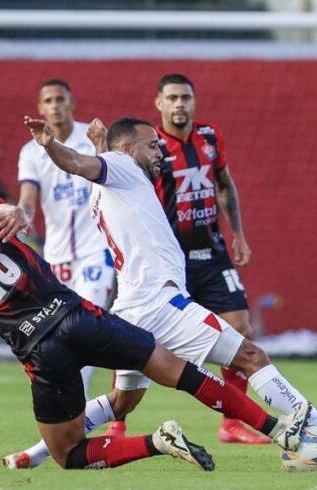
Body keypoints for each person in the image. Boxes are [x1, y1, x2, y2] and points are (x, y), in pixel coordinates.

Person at [0, 170, 311, 471]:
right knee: (178, 371)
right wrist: (9, 209)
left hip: (40, 352)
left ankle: (156, 443)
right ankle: (279, 430)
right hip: (79, 316)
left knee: (67, 454)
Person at [18, 115, 317, 466]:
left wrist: (99, 144)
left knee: (123, 400)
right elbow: (79, 163)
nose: (160, 152)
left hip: (130, 309)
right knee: (251, 356)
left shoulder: (108, 187)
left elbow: (94, 166)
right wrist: (51, 144)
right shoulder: (123, 167)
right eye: (153, 146)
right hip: (161, 304)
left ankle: (37, 452)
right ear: (127, 150)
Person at [108, 73, 268, 444]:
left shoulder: (211, 138)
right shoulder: (146, 146)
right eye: (173, 98)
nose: (180, 104)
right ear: (158, 103)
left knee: (242, 329)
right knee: (133, 339)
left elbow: (224, 184)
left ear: (194, 102)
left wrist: (238, 234)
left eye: (186, 98)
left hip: (212, 252)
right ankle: (117, 423)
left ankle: (231, 423)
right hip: (165, 261)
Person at [2, 80, 115, 469]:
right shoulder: (30, 150)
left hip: (96, 252)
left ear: (71, 103)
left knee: (83, 330)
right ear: (40, 106)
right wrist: (23, 215)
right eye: (47, 101)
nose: (54, 106)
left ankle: (68, 430)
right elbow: (28, 196)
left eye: (60, 99)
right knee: (65, 339)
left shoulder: (93, 137)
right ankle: (84, 425)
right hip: (56, 258)